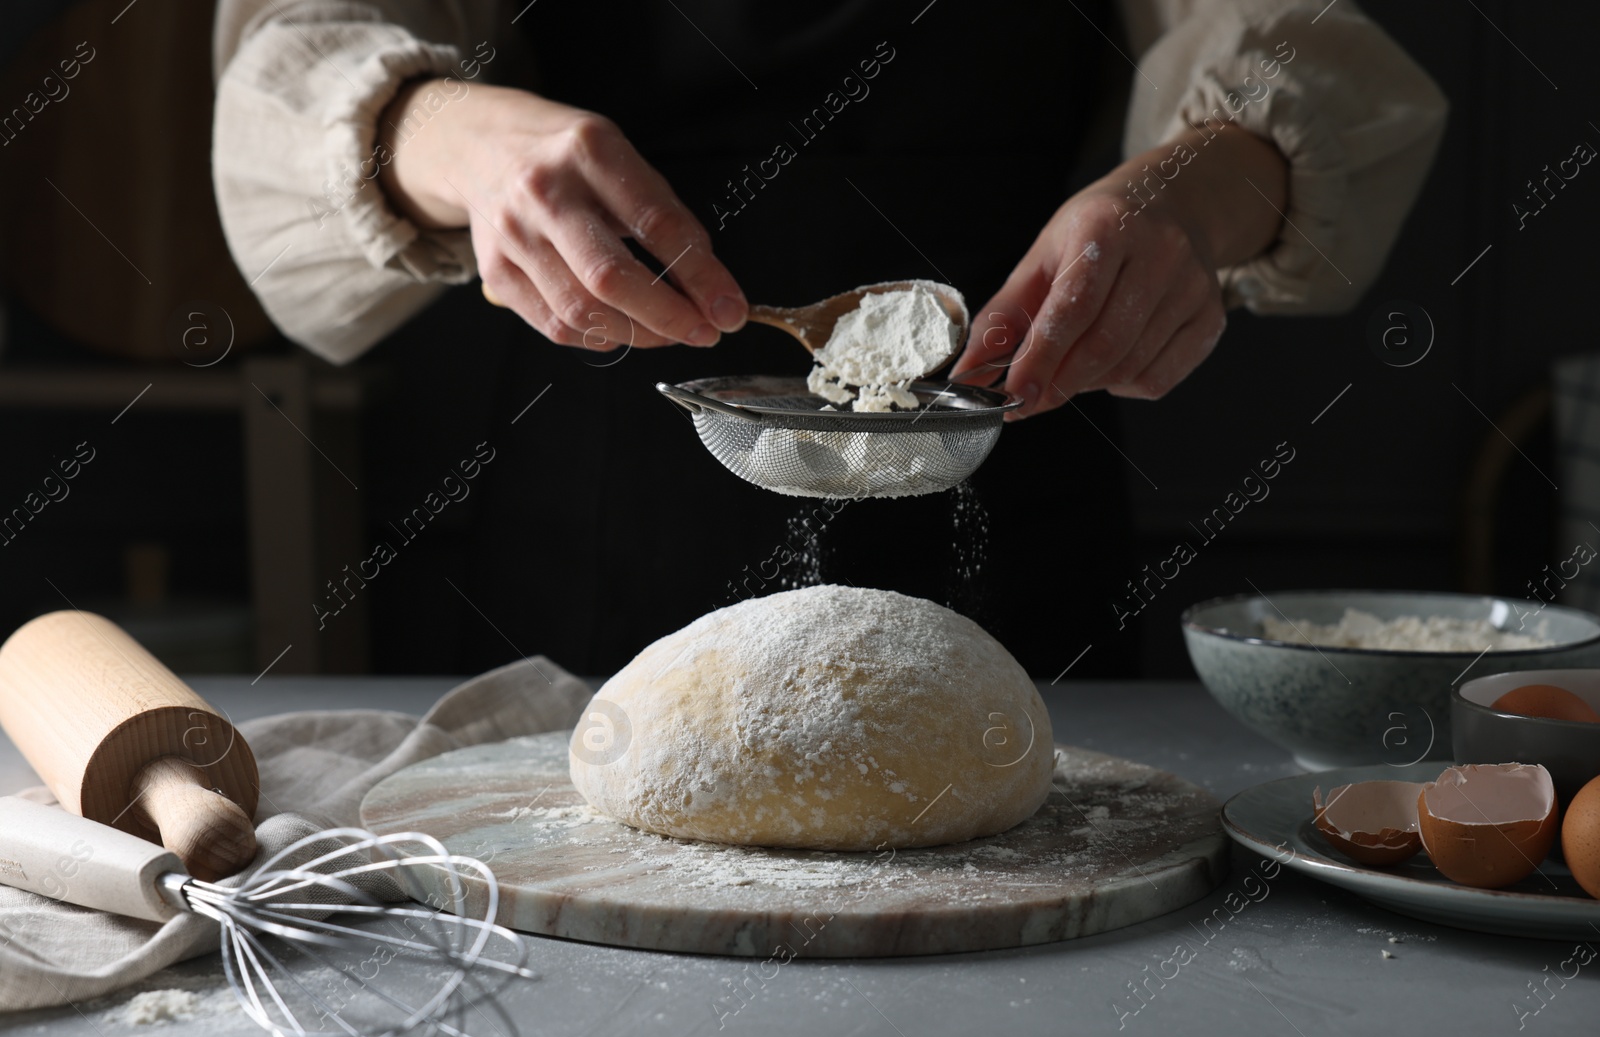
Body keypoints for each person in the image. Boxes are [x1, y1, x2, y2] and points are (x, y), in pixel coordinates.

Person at [211, 0, 1447, 678]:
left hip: (1009, 435)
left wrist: (1198, 184)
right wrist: (450, 138)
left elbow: (1300, 45)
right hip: (612, 488)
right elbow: (294, 58)